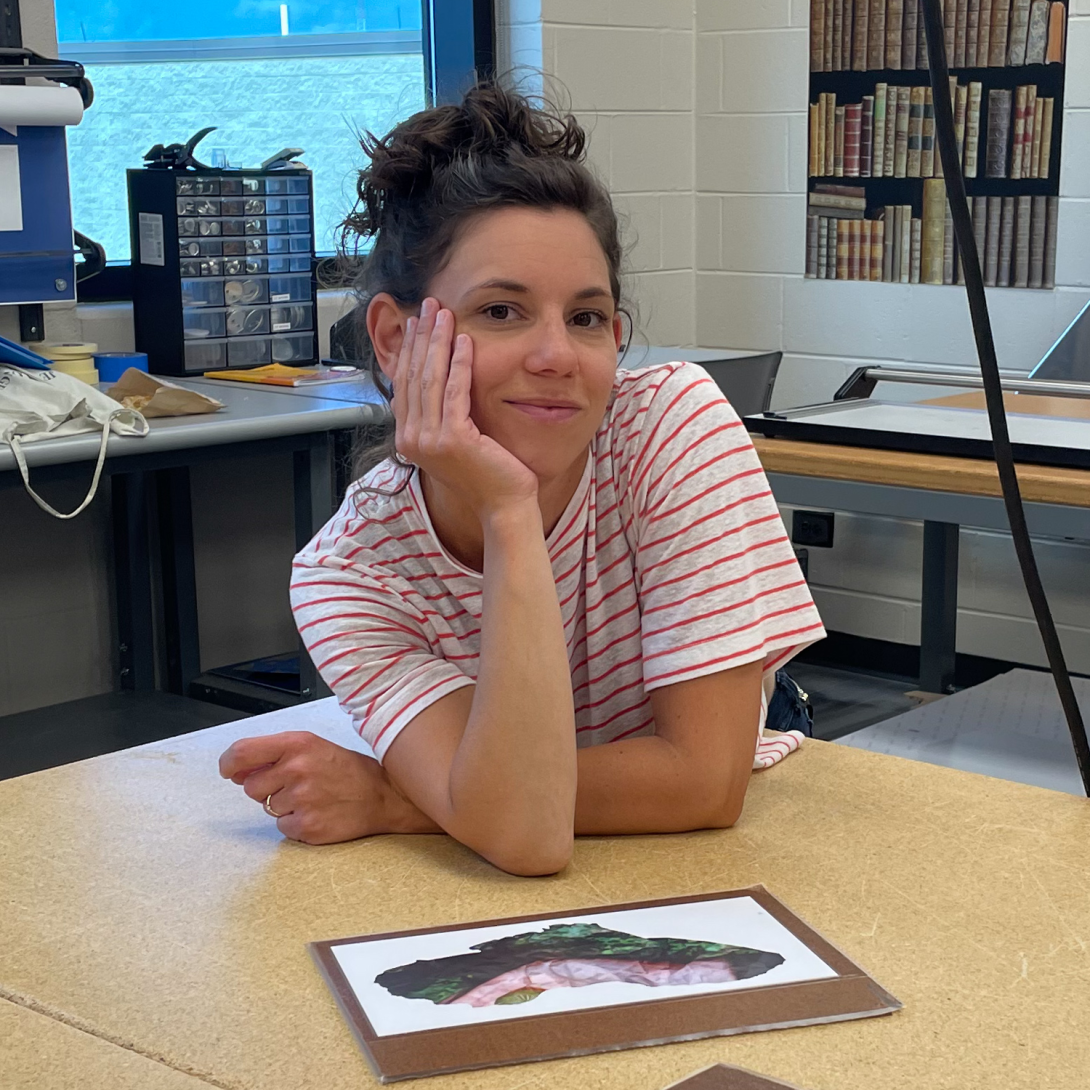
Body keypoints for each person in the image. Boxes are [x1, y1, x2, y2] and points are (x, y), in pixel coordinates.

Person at [219, 84, 825, 876]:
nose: (557, 357)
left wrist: (405, 800)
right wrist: (509, 510)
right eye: (501, 312)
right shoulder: (352, 578)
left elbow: (704, 784)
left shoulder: (668, 423)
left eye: (585, 318)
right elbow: (528, 838)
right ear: (399, 340)